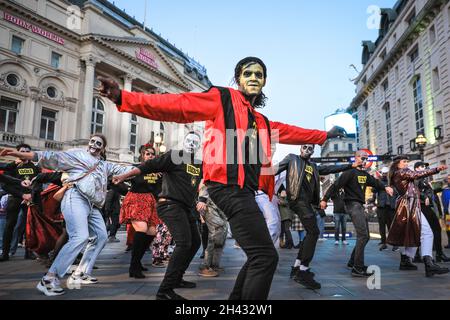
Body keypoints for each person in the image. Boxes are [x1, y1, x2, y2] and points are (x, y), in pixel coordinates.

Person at [99, 56, 346, 300]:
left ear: (264, 82)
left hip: (244, 191)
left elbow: (291, 131)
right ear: (238, 78)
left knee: (261, 254)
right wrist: (125, 97)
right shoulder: (222, 98)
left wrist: (323, 135)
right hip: (227, 188)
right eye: (247, 73)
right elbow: (179, 105)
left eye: (258, 75)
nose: (253, 78)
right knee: (265, 257)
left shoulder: (260, 121)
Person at [0, 134, 135, 296]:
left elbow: (127, 169)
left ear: (103, 148)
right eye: (92, 141)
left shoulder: (104, 166)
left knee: (101, 236)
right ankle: (49, 279)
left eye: (98, 143)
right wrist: (17, 154)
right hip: (75, 197)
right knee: (79, 237)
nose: (93, 144)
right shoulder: (77, 155)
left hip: (91, 204)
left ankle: (81, 272)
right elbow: (48, 156)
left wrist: (154, 165)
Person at [113, 132, 203, 300]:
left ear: (199, 146)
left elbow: (207, 180)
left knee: (195, 242)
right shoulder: (174, 156)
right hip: (170, 204)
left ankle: (177, 279)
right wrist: (124, 176)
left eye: (195, 142)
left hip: (187, 207)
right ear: (184, 142)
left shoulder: (199, 164)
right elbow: (147, 166)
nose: (191, 144)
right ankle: (164, 291)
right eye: (189, 140)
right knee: (184, 243)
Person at [276, 144, 360, 290]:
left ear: (313, 151)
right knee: (314, 232)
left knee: (311, 232)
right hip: (297, 199)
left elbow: (329, 169)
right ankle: (303, 270)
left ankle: (297, 268)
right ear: (300, 148)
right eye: (305, 147)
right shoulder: (292, 159)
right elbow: (273, 170)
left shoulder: (313, 166)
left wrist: (350, 165)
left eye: (310, 148)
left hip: (307, 203)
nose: (307, 150)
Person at [326, 150, 394, 278]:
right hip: (352, 205)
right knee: (363, 236)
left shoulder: (364, 174)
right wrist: (324, 199)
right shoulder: (349, 172)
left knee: (366, 236)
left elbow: (375, 182)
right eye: (362, 157)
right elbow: (335, 185)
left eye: (366, 158)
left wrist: (385, 187)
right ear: (355, 158)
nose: (364, 160)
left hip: (359, 206)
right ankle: (357, 268)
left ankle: (353, 262)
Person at [387, 156, 449, 277]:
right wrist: (436, 169)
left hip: (409, 204)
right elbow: (417, 174)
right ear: (397, 164)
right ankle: (428, 263)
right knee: (426, 232)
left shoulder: (398, 173)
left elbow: (414, 184)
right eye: (404, 162)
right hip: (409, 205)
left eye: (407, 162)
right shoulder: (402, 172)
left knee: (413, 233)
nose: (406, 164)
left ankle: (407, 260)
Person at [119, 146, 161, 279]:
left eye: (152, 154)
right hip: (136, 199)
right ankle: (133, 266)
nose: (150, 156)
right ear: (142, 155)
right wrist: (127, 192)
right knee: (142, 229)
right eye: (147, 154)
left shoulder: (158, 172)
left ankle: (137, 262)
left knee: (152, 232)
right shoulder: (136, 168)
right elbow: (117, 181)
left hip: (150, 201)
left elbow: (159, 188)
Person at [0, 144, 40, 261]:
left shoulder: (35, 167)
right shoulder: (11, 167)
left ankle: (29, 252)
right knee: (9, 225)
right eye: (22, 151)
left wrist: (31, 195)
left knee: (30, 226)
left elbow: (38, 183)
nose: (24, 153)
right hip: (15, 197)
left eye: (27, 151)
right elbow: (5, 185)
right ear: (18, 152)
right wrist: (21, 195)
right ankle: (5, 252)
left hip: (30, 199)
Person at [415, 162, 450, 263]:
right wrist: (424, 197)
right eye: (422, 166)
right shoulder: (416, 178)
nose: (425, 168)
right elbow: (415, 190)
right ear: (416, 169)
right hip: (422, 206)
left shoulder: (425, 179)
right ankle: (435, 255)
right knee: (430, 229)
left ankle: (436, 254)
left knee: (429, 230)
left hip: (428, 206)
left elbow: (432, 191)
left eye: (425, 167)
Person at [197, 182, 228, 277]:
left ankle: (214, 265)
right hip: (210, 202)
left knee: (222, 232)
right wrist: (202, 199)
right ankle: (205, 266)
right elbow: (205, 179)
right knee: (216, 231)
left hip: (220, 203)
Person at [371, 167, 397, 251]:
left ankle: (393, 243)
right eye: (384, 173)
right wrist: (379, 183)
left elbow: (397, 192)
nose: (385, 175)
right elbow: (373, 190)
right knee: (382, 226)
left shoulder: (393, 182)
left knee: (392, 226)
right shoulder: (379, 181)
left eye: (386, 173)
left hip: (391, 207)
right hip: (381, 207)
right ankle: (383, 242)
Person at [322, 181, 348, 246]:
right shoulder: (334, 193)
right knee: (336, 227)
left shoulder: (345, 193)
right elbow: (329, 193)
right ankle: (336, 240)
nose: (340, 188)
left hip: (344, 212)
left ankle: (344, 240)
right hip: (336, 212)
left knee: (344, 227)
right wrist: (334, 187)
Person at [440, 175, 450, 249]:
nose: (448, 180)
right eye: (447, 178)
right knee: (448, 228)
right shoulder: (444, 189)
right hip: (447, 212)